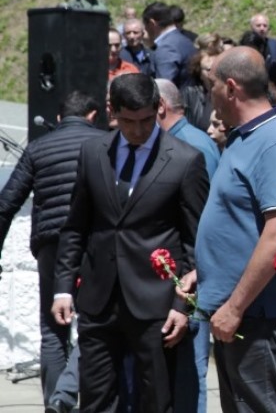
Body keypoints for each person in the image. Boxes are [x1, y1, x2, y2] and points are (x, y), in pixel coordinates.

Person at [51, 74, 209, 412]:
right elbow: (76, 226)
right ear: (112, 111)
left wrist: (182, 305)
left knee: (155, 400)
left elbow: (196, 242)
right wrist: (63, 288)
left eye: (146, 121)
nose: (138, 130)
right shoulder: (93, 152)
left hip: (156, 305)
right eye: (128, 121)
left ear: (159, 107)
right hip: (99, 299)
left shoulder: (185, 160)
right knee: (96, 399)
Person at [191, 47, 276, 412]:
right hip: (241, 314)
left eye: (211, 86)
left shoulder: (275, 141)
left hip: (258, 318)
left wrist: (235, 306)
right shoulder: (246, 136)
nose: (208, 95)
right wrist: (205, 272)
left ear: (231, 88)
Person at [0, 92, 106, 408]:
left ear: (59, 119)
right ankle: (76, 396)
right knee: (97, 323)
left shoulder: (38, 148)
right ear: (93, 116)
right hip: (93, 246)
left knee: (52, 329)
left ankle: (55, 404)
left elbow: (6, 204)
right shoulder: (105, 143)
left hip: (51, 246)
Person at [155, 79, 220, 413]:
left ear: (160, 107)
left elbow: (200, 219)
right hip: (185, 277)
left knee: (190, 374)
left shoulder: (190, 147)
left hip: (190, 278)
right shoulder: (191, 141)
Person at [143, 2, 197, 88]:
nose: (145, 29)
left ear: (152, 23)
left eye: (145, 25)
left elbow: (164, 88)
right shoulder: (185, 40)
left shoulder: (167, 48)